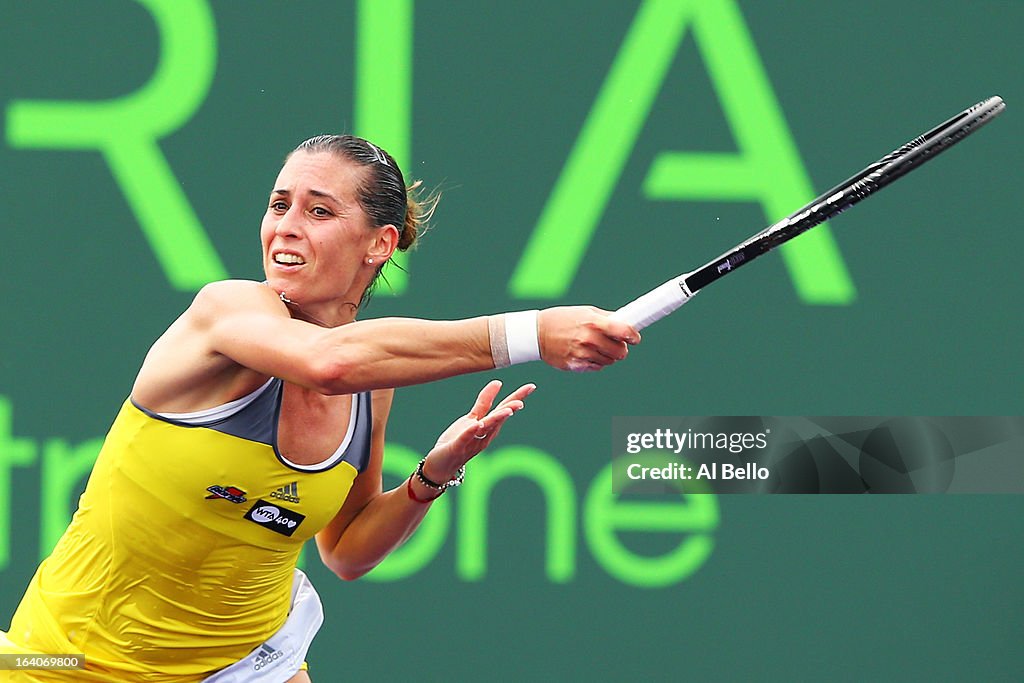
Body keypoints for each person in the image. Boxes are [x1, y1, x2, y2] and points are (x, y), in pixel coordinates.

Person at [0, 135, 640, 681]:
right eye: (279, 205)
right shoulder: (226, 312)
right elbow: (327, 363)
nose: (285, 225)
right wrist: (533, 334)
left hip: (241, 663)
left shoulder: (372, 383)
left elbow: (347, 551)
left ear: (379, 244)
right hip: (63, 661)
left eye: (319, 211)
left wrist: (434, 476)